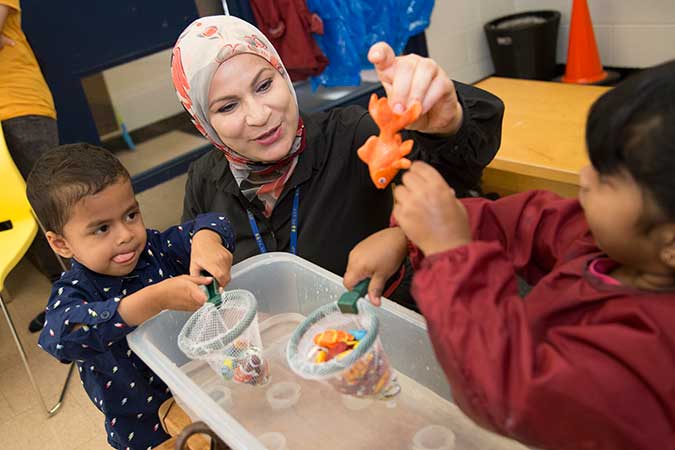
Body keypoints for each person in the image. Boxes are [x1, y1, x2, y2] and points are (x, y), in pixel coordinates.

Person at [344, 61, 675, 450]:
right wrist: (413, 235)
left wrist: (449, 251)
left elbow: (512, 393)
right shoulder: (616, 246)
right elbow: (529, 224)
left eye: (606, 178)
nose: (583, 176)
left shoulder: (649, 353)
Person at [172, 15, 504, 300]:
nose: (259, 116)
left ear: (283, 75)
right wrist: (199, 239)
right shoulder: (204, 180)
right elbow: (195, 273)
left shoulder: (354, 136)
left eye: (264, 85)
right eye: (228, 106)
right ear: (203, 123)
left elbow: (458, 185)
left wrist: (447, 122)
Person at [29, 144, 235, 450]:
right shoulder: (74, 291)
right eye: (101, 228)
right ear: (61, 244)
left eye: (130, 214)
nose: (125, 234)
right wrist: (151, 301)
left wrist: (207, 239)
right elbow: (59, 337)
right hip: (142, 427)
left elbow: (216, 222)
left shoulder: (155, 248)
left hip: (205, 391)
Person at [1, 0, 65, 332]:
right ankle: (66, 295)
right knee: (21, 212)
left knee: (50, 199)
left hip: (18, 102)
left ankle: (94, 290)